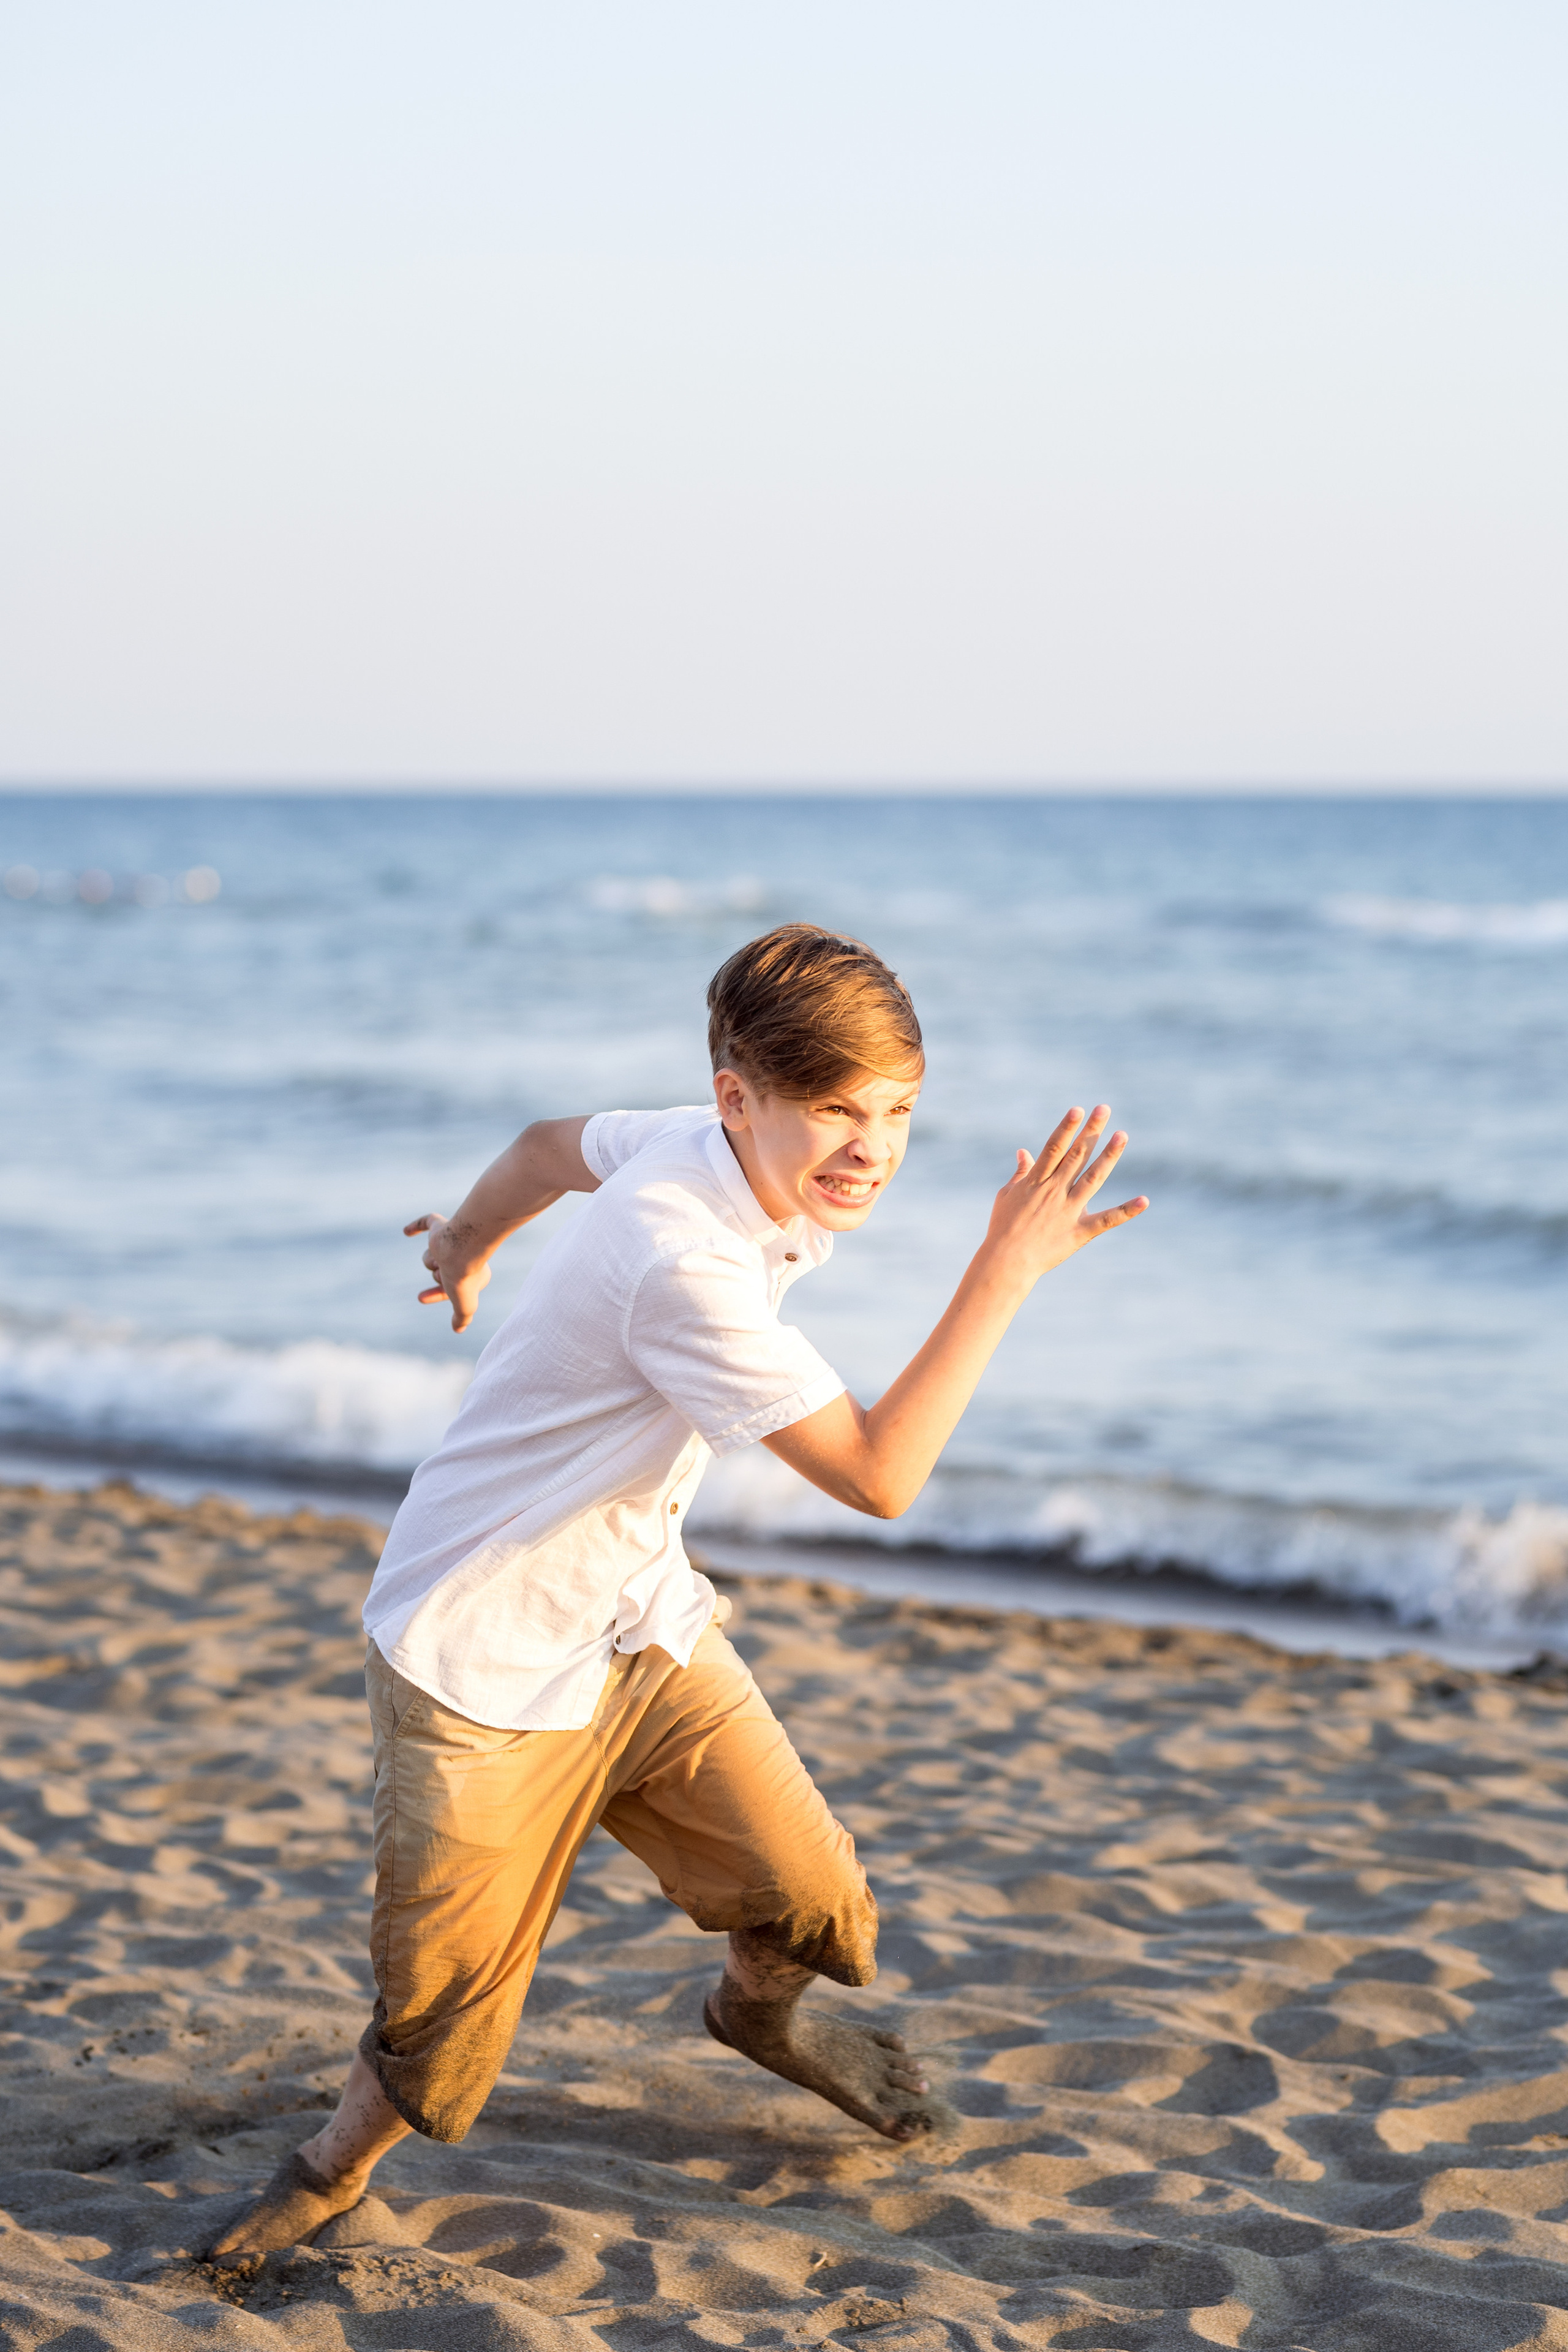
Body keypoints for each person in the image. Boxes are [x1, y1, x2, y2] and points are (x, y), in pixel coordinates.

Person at [213, 923, 1147, 2258]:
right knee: (443, 2027)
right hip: (476, 1659)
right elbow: (880, 1478)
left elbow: (545, 1144)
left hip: (636, 1624)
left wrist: (465, 1244)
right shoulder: (684, 1259)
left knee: (818, 1908)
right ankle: (323, 2173)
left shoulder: (692, 1145)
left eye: (896, 1114)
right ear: (738, 1098)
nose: (870, 1150)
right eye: (834, 1111)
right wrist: (1001, 1271)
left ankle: (752, 2012)